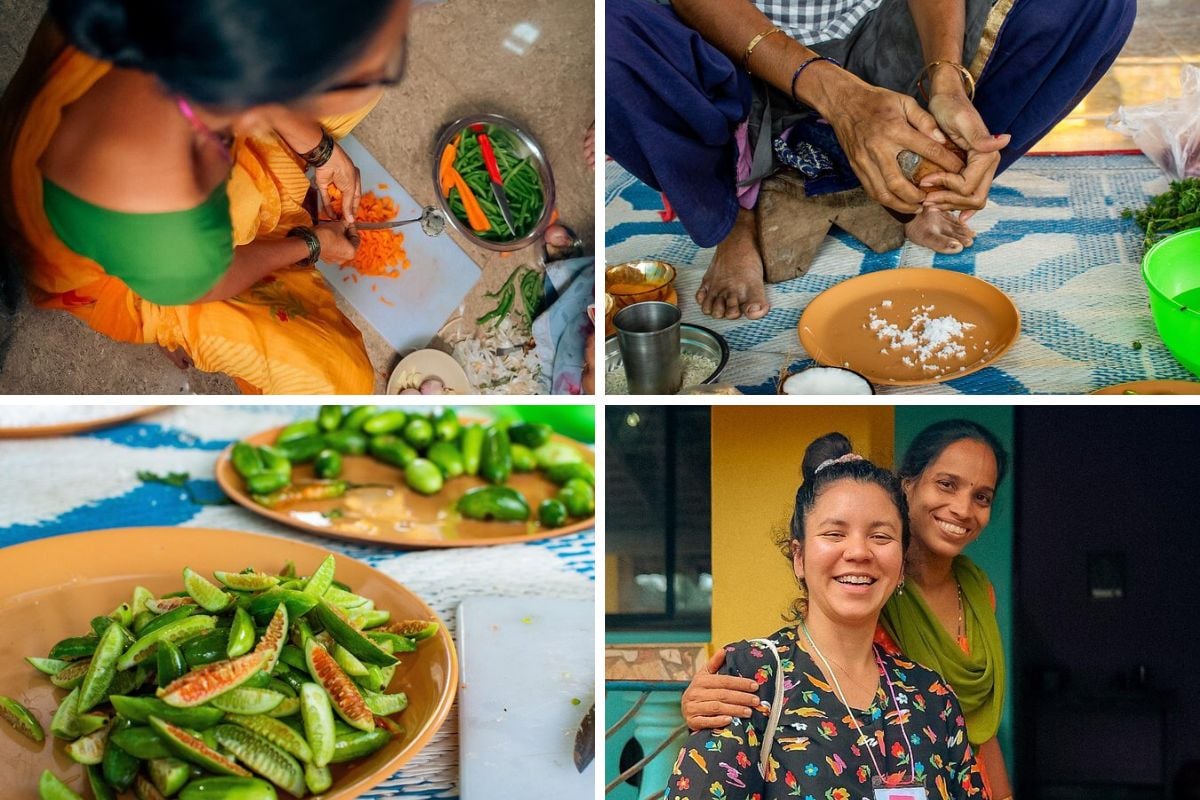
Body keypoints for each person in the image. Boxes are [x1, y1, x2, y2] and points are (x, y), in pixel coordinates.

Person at [607, 0, 1136, 320]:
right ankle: (734, 213)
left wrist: (946, 78)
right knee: (611, 29)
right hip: (724, 51)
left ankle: (927, 175)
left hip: (875, 33)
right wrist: (840, 98)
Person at [0, 0, 413, 393]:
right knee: (341, 383)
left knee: (337, 112)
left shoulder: (202, 34)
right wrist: (313, 243)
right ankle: (167, 324)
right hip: (139, 276)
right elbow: (209, 281)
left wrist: (319, 149)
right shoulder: (163, 219)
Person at [683, 420, 1012, 798]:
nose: (858, 553)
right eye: (834, 533)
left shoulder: (934, 693)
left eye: (880, 536)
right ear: (799, 557)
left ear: (900, 560)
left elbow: (979, 732)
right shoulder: (753, 680)